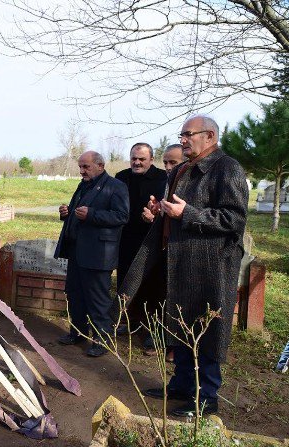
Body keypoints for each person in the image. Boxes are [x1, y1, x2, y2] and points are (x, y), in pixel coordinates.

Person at [120, 115, 248, 416]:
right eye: (182, 135)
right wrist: (160, 212)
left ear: (210, 136)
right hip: (177, 262)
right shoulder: (179, 169)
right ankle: (181, 385)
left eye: (189, 134)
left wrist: (186, 213)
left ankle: (206, 398)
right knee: (178, 326)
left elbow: (234, 219)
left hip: (210, 267)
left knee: (205, 330)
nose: (183, 140)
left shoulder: (226, 168)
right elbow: (175, 211)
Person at [54, 151, 129, 357]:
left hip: (98, 254)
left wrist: (92, 215)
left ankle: (102, 341)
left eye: (86, 167)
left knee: (97, 300)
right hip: (77, 251)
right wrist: (67, 213)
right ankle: (77, 333)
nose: (82, 171)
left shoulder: (116, 186)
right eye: (80, 167)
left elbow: (122, 216)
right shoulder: (83, 185)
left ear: (100, 165)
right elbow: (79, 210)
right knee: (75, 294)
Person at [114, 143, 167, 342]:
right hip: (126, 239)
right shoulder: (121, 177)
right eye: (134, 158)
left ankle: (151, 329)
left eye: (142, 159)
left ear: (151, 159)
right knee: (126, 282)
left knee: (151, 285)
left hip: (151, 240)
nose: (137, 162)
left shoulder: (163, 178)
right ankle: (130, 322)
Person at [141, 144, 184, 224]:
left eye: (173, 162)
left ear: (186, 162)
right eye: (165, 163)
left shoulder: (196, 185)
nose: (168, 167)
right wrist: (153, 214)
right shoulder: (161, 186)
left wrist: (184, 213)